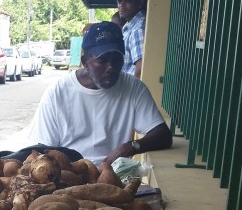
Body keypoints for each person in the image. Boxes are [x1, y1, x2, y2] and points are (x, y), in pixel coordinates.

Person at [25, 21, 171, 166]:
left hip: (113, 178)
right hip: (69, 176)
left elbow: (163, 135)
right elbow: (44, 150)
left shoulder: (134, 88)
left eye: (117, 59)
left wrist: (130, 147)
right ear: (85, 62)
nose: (111, 67)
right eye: (102, 60)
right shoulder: (57, 93)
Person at [118, 0, 147, 78]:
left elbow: (141, 68)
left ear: (140, 3)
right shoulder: (131, 26)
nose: (121, 5)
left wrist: (132, 91)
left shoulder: (137, 29)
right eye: (119, 0)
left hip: (131, 88)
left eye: (127, 0)